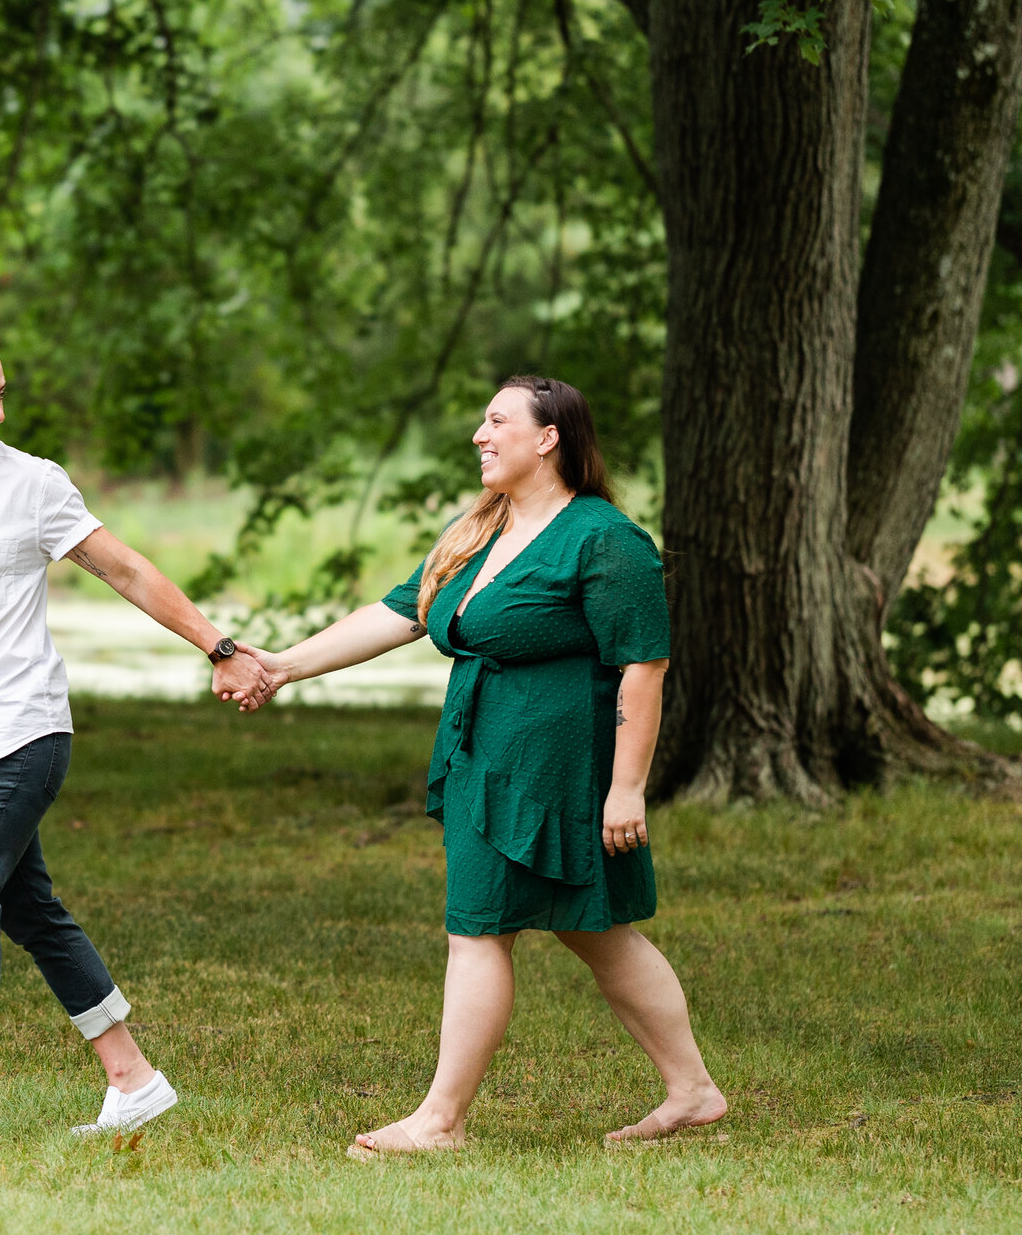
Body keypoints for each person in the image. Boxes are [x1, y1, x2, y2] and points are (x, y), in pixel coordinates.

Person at [244, 375, 726, 1155]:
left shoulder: (604, 539)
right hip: (484, 755)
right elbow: (403, 611)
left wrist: (626, 788)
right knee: (591, 932)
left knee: (489, 929)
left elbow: (645, 666)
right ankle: (694, 1091)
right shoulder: (480, 529)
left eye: (497, 420)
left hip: (557, 767)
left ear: (548, 438)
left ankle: (440, 1120)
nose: (479, 433)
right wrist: (286, 666)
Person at [0, 326, 276, 1147]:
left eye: (2, 394)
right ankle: (133, 1078)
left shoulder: (33, 485)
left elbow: (127, 569)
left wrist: (218, 646)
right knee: (24, 906)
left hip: (22, 726)